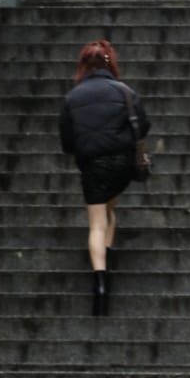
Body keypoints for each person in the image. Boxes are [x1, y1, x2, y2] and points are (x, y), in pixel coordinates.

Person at [59, 39, 149, 318]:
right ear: (111, 63)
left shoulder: (73, 97)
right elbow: (143, 126)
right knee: (111, 209)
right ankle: (108, 255)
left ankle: (100, 283)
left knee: (96, 223)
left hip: (93, 164)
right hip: (122, 162)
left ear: (84, 66)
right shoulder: (125, 92)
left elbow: (67, 141)